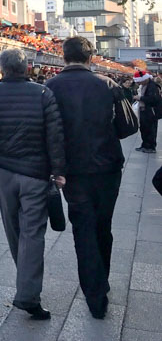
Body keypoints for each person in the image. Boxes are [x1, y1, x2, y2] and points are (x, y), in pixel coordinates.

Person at [45, 37, 137, 319]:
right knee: (102, 225)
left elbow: (45, 132)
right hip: (107, 167)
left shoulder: (49, 88)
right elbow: (129, 126)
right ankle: (101, 281)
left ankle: (94, 293)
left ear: (63, 57)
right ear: (90, 57)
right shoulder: (107, 85)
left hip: (71, 172)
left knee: (82, 227)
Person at [0, 48, 66, 321]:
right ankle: (27, 293)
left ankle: (25, 282)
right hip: (36, 172)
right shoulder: (43, 93)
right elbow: (55, 135)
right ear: (27, 67)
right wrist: (58, 169)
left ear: (2, 68)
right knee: (33, 232)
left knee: (13, 227)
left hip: (4, 170)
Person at [134, 70, 160, 153]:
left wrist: (140, 98)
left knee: (150, 130)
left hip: (151, 111)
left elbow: (154, 99)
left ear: (144, 79)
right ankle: (144, 145)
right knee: (143, 128)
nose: (139, 83)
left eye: (140, 81)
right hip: (144, 110)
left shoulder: (153, 86)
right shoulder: (144, 85)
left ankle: (151, 147)